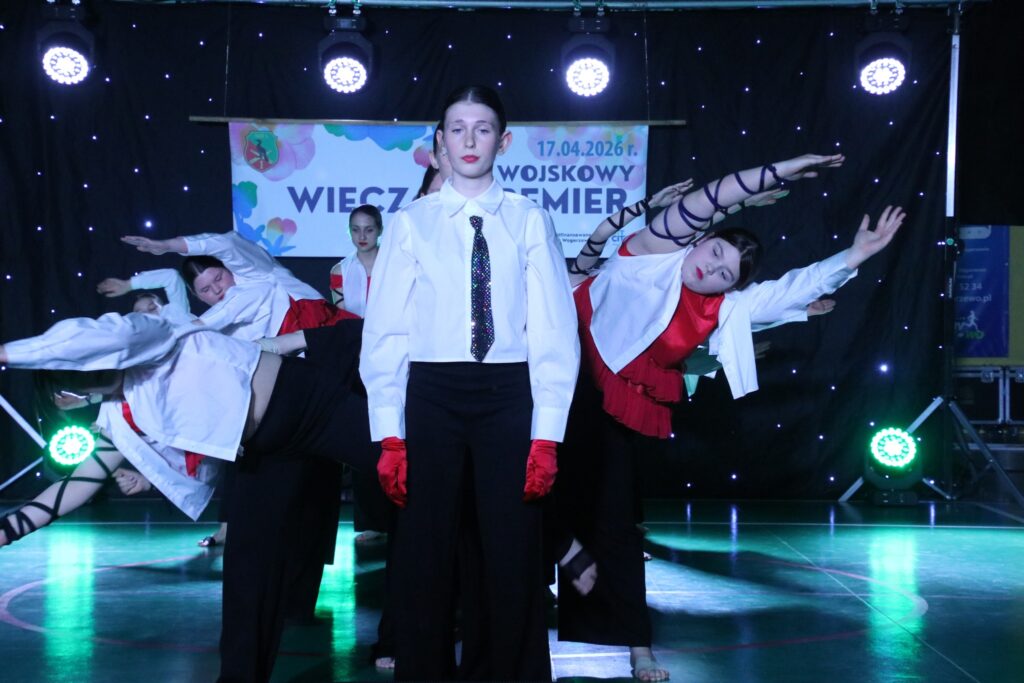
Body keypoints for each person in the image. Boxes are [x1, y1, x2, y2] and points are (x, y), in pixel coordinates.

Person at [556, 152, 905, 682]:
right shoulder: (649, 252)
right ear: (701, 239)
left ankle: (637, 648)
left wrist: (854, 255)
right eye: (715, 251)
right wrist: (782, 170)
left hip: (612, 402)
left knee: (616, 525)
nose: (713, 268)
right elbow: (706, 200)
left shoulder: (724, 309)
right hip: (555, 376)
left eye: (726, 274)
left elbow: (793, 288)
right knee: (517, 499)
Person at [0, 312, 370, 682]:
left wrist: (7, 354)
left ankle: (398, 641)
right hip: (264, 452)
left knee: (399, 473)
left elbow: (102, 336)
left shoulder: (148, 341)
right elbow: (79, 484)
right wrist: (7, 530)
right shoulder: (117, 419)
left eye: (81, 366)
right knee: (247, 568)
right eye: (73, 381)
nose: (86, 378)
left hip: (309, 401)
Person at [361, 84, 580, 681]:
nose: (469, 140)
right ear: (439, 143)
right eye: (457, 129)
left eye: (482, 129)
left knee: (512, 550)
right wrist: (389, 432)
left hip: (509, 395)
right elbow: (386, 332)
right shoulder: (410, 224)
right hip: (431, 395)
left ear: (503, 142)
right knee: (424, 550)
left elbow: (554, 329)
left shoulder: (529, 219)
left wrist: (547, 434)